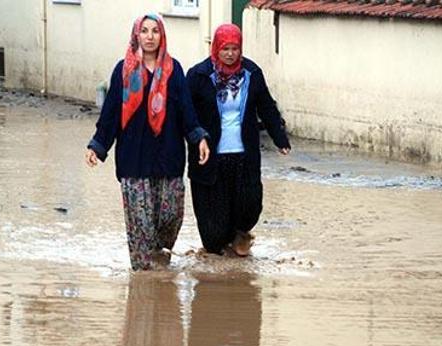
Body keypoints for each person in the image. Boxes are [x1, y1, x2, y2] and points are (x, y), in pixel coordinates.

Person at [85, 14, 210, 271]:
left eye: (155, 31)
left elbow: (187, 111)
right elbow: (111, 113)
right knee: (140, 223)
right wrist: (97, 146)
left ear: (161, 36)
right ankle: (143, 285)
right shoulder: (124, 70)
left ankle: (161, 255)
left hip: (169, 157)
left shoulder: (173, 70)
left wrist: (199, 138)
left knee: (171, 215)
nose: (150, 36)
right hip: (134, 159)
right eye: (144, 31)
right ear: (136, 36)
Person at [186, 24, 290, 257]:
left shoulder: (251, 73)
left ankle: (242, 235)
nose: (230, 53)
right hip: (210, 156)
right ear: (216, 48)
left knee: (250, 204)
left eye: (235, 48)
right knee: (214, 233)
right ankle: (218, 252)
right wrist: (193, 136)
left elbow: (266, 106)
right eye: (225, 48)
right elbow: (186, 112)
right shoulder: (199, 76)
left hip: (244, 153)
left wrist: (279, 137)